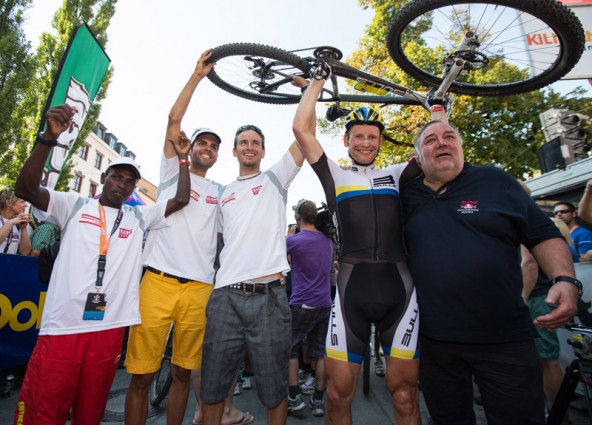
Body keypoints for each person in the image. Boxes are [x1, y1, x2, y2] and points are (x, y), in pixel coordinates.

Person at [13, 103, 191, 425]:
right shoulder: (74, 204)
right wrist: (48, 138)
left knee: (90, 414)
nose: (121, 184)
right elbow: (25, 189)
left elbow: (180, 200)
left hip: (108, 330)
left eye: (129, 182)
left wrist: (182, 159)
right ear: (103, 177)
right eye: (116, 177)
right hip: (63, 328)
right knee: (42, 412)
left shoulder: (138, 216)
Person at [401, 120, 580, 425]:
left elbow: (543, 234)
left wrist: (565, 279)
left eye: (449, 137)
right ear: (417, 158)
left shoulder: (495, 181)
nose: (442, 143)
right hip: (435, 343)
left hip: (504, 338)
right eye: (430, 140)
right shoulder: (404, 196)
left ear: (461, 146)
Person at [124, 49, 251, 425]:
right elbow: (173, 118)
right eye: (202, 143)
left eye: (214, 146)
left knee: (183, 374)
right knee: (141, 376)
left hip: (199, 290)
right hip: (157, 283)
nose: (207, 149)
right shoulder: (169, 172)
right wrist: (197, 76)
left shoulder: (220, 190)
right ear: (189, 147)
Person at [293, 74, 422, 424]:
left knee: (406, 396)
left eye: (372, 137)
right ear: (347, 140)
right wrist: (315, 86)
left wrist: (437, 107)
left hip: (400, 289)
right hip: (351, 289)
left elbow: (435, 144)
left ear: (381, 141)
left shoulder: (397, 174)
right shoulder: (334, 175)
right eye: (359, 136)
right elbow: (302, 131)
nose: (365, 142)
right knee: (336, 397)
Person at [200, 121, 305, 425]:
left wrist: (312, 83)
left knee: (275, 388)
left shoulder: (275, 179)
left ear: (262, 150)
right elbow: (219, 243)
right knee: (212, 386)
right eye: (243, 142)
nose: (249, 146)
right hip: (225, 299)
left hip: (269, 298)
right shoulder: (224, 194)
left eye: (255, 142)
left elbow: (302, 132)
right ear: (234, 151)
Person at [522, 217, 574, 425]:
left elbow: (529, 262)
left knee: (546, 362)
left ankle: (559, 417)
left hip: (537, 299)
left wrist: (522, 297)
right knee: (546, 360)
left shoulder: (523, 220)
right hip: (542, 297)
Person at [286, 199, 333, 417]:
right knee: (319, 353)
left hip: (302, 303)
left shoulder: (293, 241)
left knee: (291, 348)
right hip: (324, 303)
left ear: (298, 217)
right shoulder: (327, 241)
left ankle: (293, 396)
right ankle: (317, 400)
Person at [0, 188, 31, 255]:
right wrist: (10, 222)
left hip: (9, 264)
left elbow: (24, 252)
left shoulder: (17, 223)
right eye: (22, 202)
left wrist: (23, 228)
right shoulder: (13, 222)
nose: (26, 205)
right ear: (9, 202)